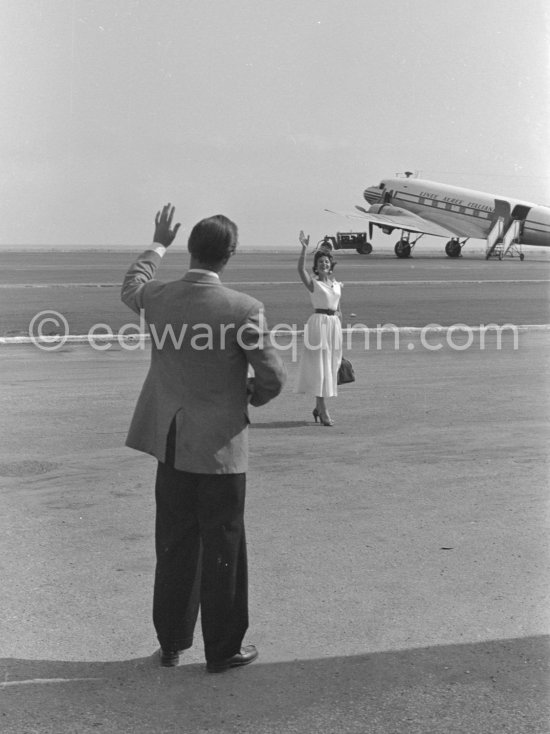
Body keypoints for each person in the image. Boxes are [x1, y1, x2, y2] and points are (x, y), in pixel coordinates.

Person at [121, 204, 286, 673]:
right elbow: (272, 375)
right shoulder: (243, 308)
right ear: (229, 255)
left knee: (174, 544)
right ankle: (224, 648)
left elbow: (130, 284)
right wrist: (251, 395)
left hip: (171, 443)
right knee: (224, 545)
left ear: (190, 249)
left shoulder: (158, 297)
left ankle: (172, 643)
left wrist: (157, 242)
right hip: (221, 451)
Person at [295, 230, 343, 426]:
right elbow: (300, 270)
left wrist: (339, 322)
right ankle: (323, 410)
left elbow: (339, 308)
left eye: (326, 262)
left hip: (333, 326)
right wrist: (304, 249)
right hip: (318, 325)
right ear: (316, 266)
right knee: (319, 367)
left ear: (330, 266)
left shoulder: (337, 285)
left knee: (331, 366)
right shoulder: (314, 284)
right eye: (320, 262)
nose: (324, 264)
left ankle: (318, 406)